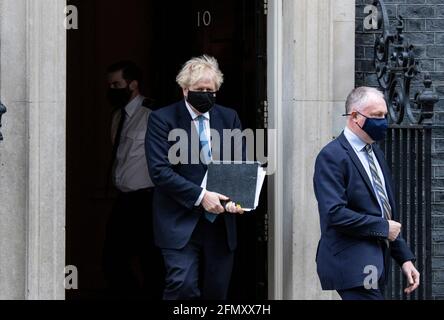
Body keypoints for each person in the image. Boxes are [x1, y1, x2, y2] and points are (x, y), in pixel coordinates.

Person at [146, 55, 245, 300]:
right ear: (185, 90)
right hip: (178, 219)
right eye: (199, 89)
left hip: (220, 223)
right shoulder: (162, 119)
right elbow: (160, 171)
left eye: (210, 90)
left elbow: (239, 163)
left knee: (217, 291)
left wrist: (238, 198)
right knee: (182, 285)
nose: (205, 94)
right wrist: (201, 196)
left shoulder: (228, 117)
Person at [313, 86, 420, 300]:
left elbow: (384, 212)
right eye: (376, 116)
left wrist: (405, 259)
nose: (382, 121)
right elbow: (334, 213)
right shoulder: (332, 156)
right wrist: (382, 228)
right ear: (354, 116)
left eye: (384, 115)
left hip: (377, 262)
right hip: (352, 264)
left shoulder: (375, 154)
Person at [103, 60, 163, 299]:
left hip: (147, 200)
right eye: (109, 85)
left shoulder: (153, 114)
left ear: (133, 84)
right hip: (124, 200)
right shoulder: (117, 116)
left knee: (151, 261)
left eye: (117, 84)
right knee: (111, 260)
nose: (112, 89)